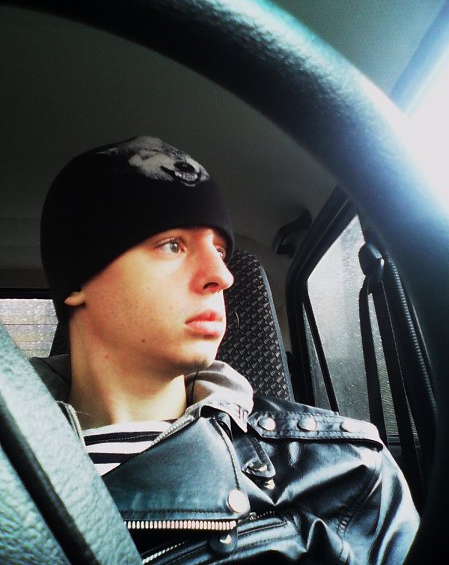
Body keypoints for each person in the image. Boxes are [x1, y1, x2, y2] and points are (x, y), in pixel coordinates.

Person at [31, 136, 419, 563]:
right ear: (78, 282)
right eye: (172, 245)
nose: (222, 275)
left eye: (219, 250)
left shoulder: (346, 479)